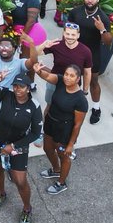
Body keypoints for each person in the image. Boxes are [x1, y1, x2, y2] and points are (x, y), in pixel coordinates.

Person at [0, 72, 43, 223]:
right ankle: (1, 194)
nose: (18, 89)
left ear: (29, 89)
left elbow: (36, 133)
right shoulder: (6, 95)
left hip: (18, 145)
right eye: (16, 86)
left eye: (22, 86)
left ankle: (27, 208)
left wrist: (14, 146)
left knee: (20, 180)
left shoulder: (34, 107)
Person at [30, 58, 88, 196]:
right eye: (67, 74)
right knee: (47, 148)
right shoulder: (61, 81)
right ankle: (56, 169)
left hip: (64, 130)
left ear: (78, 79)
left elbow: (77, 124)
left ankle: (61, 183)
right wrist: (38, 72)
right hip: (51, 122)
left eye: (72, 75)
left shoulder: (80, 100)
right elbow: (48, 76)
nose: (68, 78)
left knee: (64, 156)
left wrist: (71, 144)